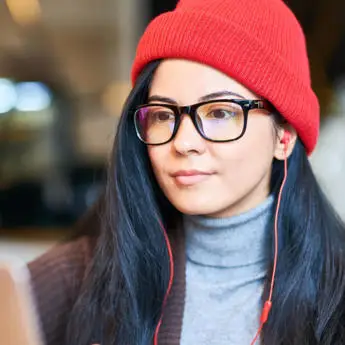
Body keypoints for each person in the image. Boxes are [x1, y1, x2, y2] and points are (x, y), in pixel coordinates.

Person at [28, 0, 345, 344]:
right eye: (163, 115)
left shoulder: (336, 293)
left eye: (221, 113)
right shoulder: (75, 277)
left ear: (284, 137)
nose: (183, 142)